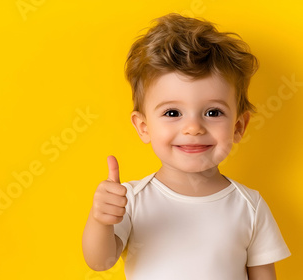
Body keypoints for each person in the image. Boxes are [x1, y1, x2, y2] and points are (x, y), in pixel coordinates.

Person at [82, 13, 291, 280]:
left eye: (213, 113)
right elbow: (100, 262)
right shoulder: (131, 200)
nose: (193, 128)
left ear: (238, 127)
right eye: (172, 113)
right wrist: (101, 220)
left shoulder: (250, 206)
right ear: (143, 127)